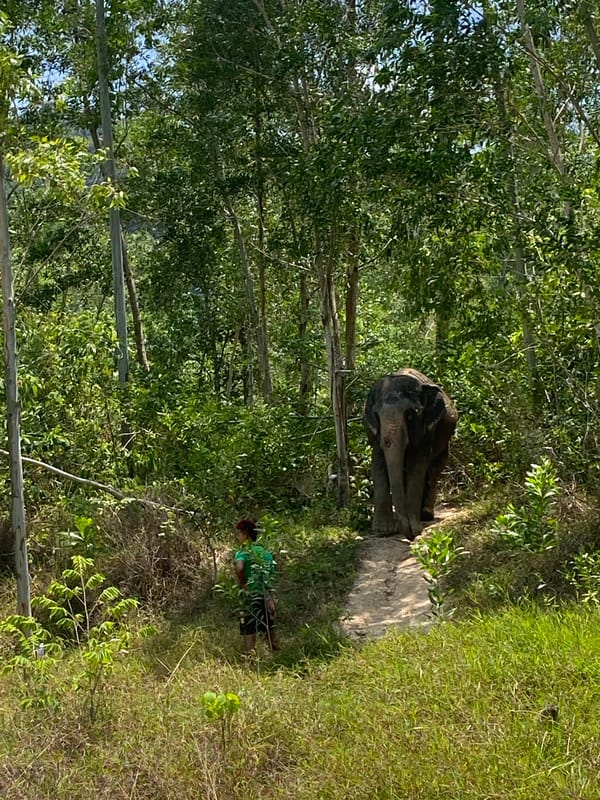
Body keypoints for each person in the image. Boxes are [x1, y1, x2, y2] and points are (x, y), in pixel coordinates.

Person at [234, 518, 279, 654]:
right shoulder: (266, 554)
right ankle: (276, 656)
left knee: (249, 630)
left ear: (245, 534)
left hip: (250, 595)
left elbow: (240, 568)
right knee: (269, 629)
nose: (238, 537)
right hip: (265, 595)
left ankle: (251, 660)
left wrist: (243, 583)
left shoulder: (242, 552)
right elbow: (269, 578)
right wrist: (271, 598)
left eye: (239, 533)